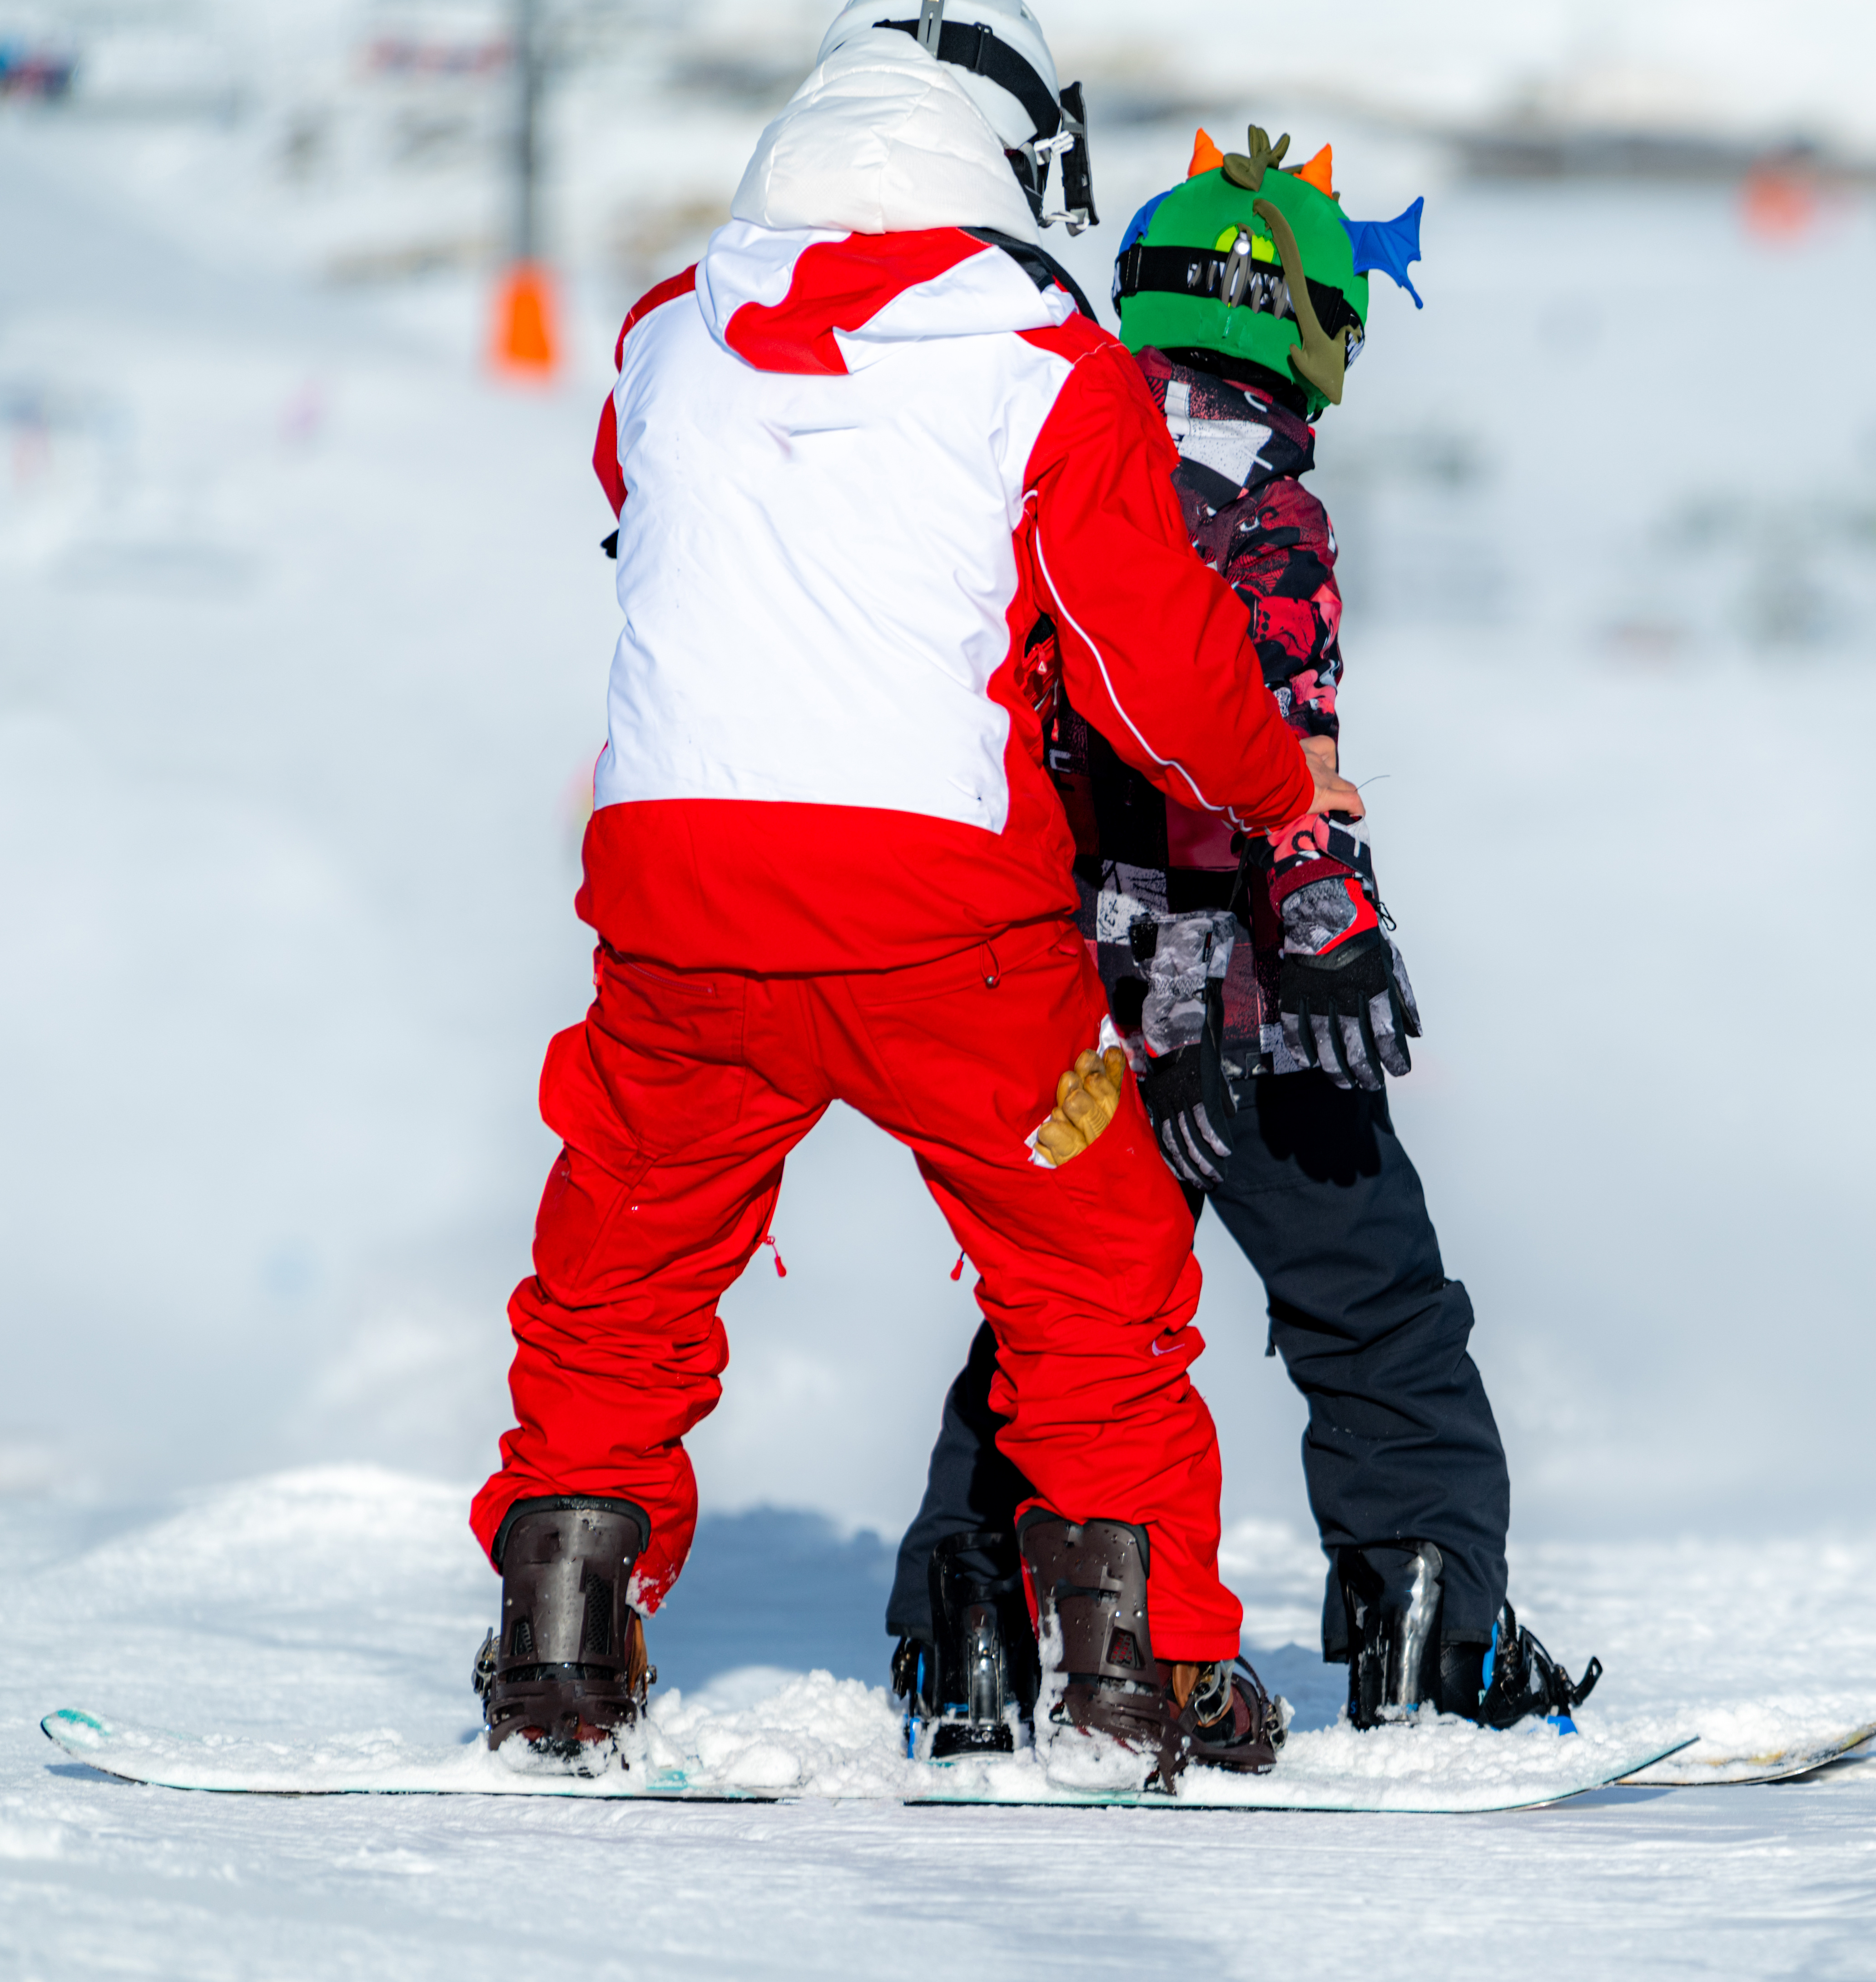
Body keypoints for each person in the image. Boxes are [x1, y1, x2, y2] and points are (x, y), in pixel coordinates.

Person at [471, 1, 1341, 1794]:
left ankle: (561, 1640)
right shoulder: (1043, 356)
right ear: (1020, 154)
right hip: (943, 912)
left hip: (678, 890)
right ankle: (1137, 1670)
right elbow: (1147, 665)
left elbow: (645, 518)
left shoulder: (663, 331)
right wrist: (1277, 786)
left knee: (622, 1263)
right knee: (1091, 1264)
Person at [884, 128, 1598, 1753]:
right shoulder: (1263, 512)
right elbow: (1240, 758)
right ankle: (1433, 1636)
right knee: (1378, 1313)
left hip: (1050, 992)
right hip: (1252, 1016)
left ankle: (978, 1631)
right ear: (1300, 326)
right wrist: (1244, 983)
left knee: (1060, 1320)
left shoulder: (1050, 466)